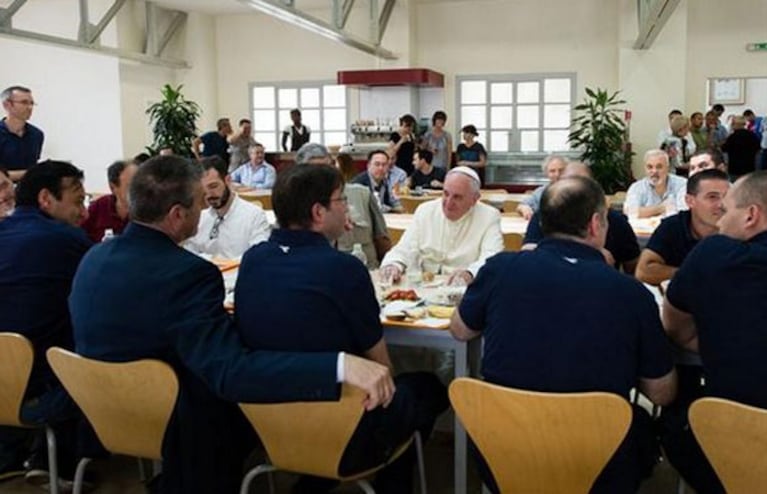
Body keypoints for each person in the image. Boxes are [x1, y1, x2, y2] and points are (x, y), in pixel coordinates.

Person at [68, 155, 395, 494]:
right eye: (199, 203)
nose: (205, 208)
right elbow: (232, 372)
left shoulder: (93, 258)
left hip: (100, 411)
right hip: (174, 423)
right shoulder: (189, 274)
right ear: (177, 215)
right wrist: (340, 365)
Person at [451, 175, 677, 494]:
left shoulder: (500, 270)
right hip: (598, 460)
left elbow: (460, 330)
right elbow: (661, 393)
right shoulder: (630, 294)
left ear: (542, 222)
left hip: (501, 450)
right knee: (640, 422)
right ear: (597, 224)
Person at [235, 164, 448, 494]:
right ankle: (392, 482)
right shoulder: (344, 269)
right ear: (319, 212)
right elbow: (382, 369)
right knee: (427, 388)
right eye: (342, 201)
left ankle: (315, 480)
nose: (348, 208)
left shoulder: (252, 260)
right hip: (342, 424)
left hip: (268, 421)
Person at [661, 171, 767, 493]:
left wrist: (723, 347)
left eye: (727, 210)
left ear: (751, 215)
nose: (720, 221)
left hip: (733, 437)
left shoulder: (713, 254)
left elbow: (675, 327)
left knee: (674, 426)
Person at [0, 161, 92, 485]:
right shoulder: (66, 240)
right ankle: (65, 461)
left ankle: (18, 454)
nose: (84, 211)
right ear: (45, 199)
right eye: (78, 201)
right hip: (42, 390)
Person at [380, 166, 503, 286]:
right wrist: (393, 264)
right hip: (423, 285)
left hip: (462, 288)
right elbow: (405, 248)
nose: (448, 203)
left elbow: (491, 257)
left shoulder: (489, 216)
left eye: (457, 197)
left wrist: (470, 273)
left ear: (474, 199)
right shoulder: (426, 210)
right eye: (446, 194)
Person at [523, 161, 640, 274]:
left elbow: (634, 268)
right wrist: (587, 253)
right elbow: (528, 253)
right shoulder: (545, 213)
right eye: (569, 183)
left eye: (583, 183)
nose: (576, 189)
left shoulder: (615, 220)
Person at [297, 143, 392, 267]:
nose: (322, 176)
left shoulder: (362, 194)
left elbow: (382, 240)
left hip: (365, 272)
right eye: (314, 171)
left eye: (327, 168)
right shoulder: (295, 204)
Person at [636, 169, 729, 286]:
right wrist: (695, 275)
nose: (722, 204)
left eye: (726, 197)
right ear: (690, 201)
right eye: (712, 197)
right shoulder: (673, 226)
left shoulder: (740, 229)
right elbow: (643, 271)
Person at [184, 156, 270, 259]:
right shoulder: (201, 216)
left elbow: (258, 255)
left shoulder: (254, 215)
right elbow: (189, 250)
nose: (208, 195)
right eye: (203, 190)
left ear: (228, 180)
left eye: (213, 186)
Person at [80, 160, 138, 242]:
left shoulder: (149, 211)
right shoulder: (98, 208)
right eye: (131, 186)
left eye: (141, 185)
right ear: (113, 188)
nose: (139, 191)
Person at [624, 149, 687, 218]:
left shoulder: (682, 184)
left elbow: (683, 213)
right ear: (645, 169)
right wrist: (661, 208)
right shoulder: (637, 187)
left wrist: (645, 212)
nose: (654, 171)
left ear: (667, 168)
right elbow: (630, 212)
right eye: (650, 167)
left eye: (659, 167)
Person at [0, 86, 44, 182]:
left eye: (32, 103)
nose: (30, 107)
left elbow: (33, 165)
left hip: (27, 192)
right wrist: (33, 173)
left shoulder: (37, 134)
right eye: (24, 102)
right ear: (7, 105)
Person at [516, 154, 568, 220]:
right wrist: (524, 208)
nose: (557, 174)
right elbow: (522, 205)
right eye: (552, 171)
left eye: (561, 170)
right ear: (546, 174)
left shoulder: (578, 190)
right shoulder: (540, 192)